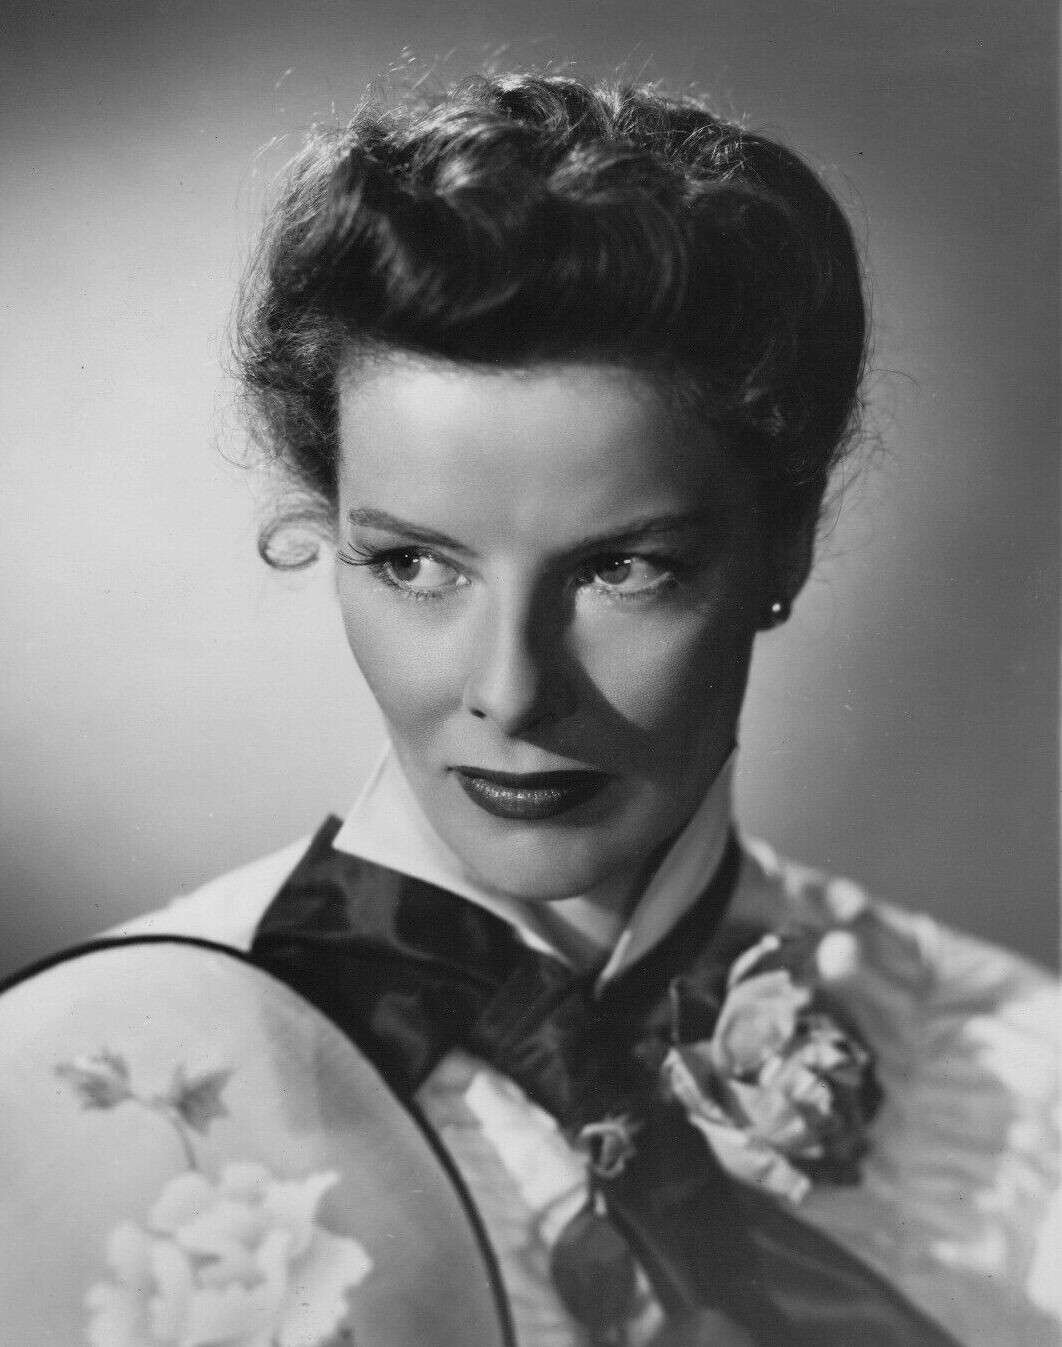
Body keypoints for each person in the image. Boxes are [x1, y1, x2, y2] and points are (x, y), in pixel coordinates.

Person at [111, 72, 1058, 1346]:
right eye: (413, 564)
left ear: (784, 544)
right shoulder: (99, 1088)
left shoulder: (1026, 1089)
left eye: (622, 569)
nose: (510, 689)